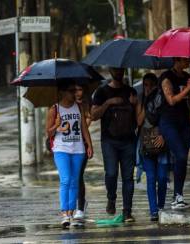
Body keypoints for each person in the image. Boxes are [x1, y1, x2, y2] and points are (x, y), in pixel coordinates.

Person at [91, 67, 137, 222]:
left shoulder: (130, 91)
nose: (118, 71)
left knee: (128, 178)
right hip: (109, 141)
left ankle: (127, 211)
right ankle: (111, 198)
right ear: (110, 70)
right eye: (115, 69)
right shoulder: (101, 92)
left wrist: (135, 104)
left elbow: (138, 120)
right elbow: (93, 115)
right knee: (111, 173)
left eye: (121, 69)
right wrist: (109, 103)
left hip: (129, 141)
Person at [46, 81, 93, 228]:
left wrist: (89, 145)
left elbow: (84, 128)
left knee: (74, 181)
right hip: (61, 149)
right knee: (65, 180)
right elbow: (48, 132)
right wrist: (56, 125)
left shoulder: (79, 107)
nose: (75, 93)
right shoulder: (54, 109)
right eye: (71, 91)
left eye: (75, 91)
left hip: (78, 149)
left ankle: (71, 212)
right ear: (62, 92)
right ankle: (64, 213)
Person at [159, 57, 190, 209]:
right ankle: (177, 196)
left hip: (184, 122)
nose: (188, 61)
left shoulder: (187, 77)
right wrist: (187, 88)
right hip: (169, 122)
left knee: (183, 158)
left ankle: (178, 195)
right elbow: (171, 100)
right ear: (177, 59)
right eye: (186, 59)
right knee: (179, 155)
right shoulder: (166, 77)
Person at [136, 73, 170, 221]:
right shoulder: (142, 100)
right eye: (146, 85)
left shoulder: (163, 100)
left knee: (162, 178)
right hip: (147, 146)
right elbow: (139, 121)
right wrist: (144, 103)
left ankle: (160, 206)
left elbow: (168, 120)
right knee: (151, 178)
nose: (148, 88)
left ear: (157, 85)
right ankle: (153, 211)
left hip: (162, 145)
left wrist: (163, 135)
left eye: (151, 84)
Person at [73, 84, 92, 221]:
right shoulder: (63, 105)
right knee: (70, 177)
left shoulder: (85, 105)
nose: (78, 93)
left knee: (78, 175)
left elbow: (87, 124)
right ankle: (78, 203)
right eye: (74, 90)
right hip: (67, 146)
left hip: (82, 145)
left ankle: (80, 207)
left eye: (80, 89)